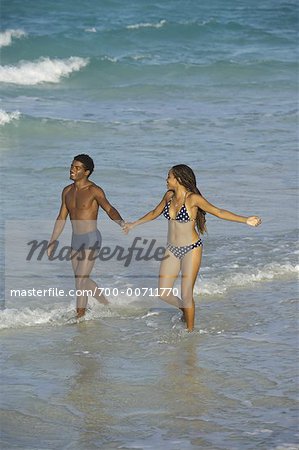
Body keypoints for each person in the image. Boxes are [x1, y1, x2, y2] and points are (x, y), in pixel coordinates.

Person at [123, 164, 262, 332]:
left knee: (186, 292)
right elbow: (154, 212)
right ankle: (185, 310)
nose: (166, 180)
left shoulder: (193, 199)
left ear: (179, 179)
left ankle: (190, 332)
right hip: (172, 249)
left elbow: (218, 212)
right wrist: (134, 224)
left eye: (169, 176)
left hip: (191, 248)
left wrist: (245, 220)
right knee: (163, 293)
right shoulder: (169, 196)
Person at [47, 154, 125, 318]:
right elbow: (62, 217)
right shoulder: (67, 191)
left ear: (87, 172)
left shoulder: (94, 191)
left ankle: (80, 318)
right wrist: (52, 241)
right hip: (76, 240)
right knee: (81, 279)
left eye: (77, 168)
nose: (72, 169)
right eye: (72, 166)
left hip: (91, 238)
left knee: (81, 281)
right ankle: (105, 303)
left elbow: (109, 209)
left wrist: (122, 223)